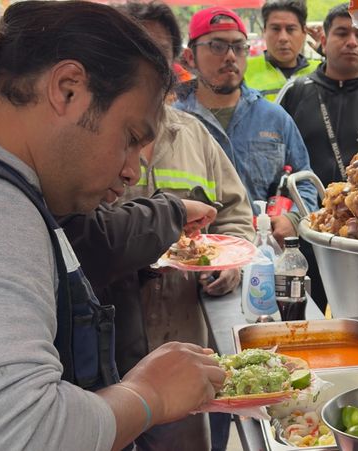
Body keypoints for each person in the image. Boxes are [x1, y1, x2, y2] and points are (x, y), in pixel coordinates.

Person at [0, 2, 225, 450]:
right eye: (131, 137)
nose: (133, 172)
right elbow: (25, 429)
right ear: (67, 90)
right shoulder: (6, 211)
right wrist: (147, 395)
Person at [69, 3, 257, 449]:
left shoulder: (195, 135)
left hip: (185, 337)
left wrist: (229, 264)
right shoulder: (85, 143)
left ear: (173, 62)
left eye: (155, 51)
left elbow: (236, 215)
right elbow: (88, 237)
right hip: (106, 353)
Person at [175, 6, 318, 246]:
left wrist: (293, 218)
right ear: (190, 58)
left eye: (239, 47)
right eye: (217, 46)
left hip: (260, 261)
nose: (230, 56)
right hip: (190, 260)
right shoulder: (174, 122)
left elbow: (304, 182)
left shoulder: (274, 118)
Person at [276, 2, 358, 187]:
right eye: (342, 33)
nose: (352, 42)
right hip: (298, 212)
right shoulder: (294, 91)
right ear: (323, 42)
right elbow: (270, 156)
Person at [245, 0, 321, 100]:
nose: (283, 38)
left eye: (290, 29)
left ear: (304, 32)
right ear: (264, 32)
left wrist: (327, 52)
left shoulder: (321, 71)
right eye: (276, 29)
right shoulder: (243, 71)